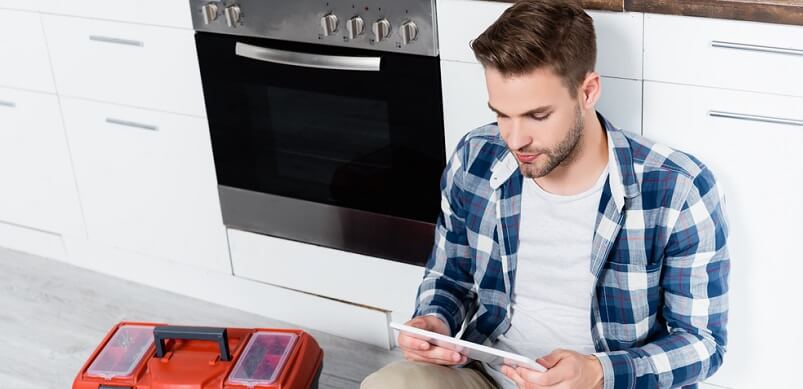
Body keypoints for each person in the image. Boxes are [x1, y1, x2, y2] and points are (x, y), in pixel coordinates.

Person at [361, 0, 730, 388]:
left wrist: (598, 372)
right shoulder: (476, 156)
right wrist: (434, 322)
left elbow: (702, 344)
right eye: (502, 113)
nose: (515, 139)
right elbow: (451, 277)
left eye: (538, 116)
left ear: (587, 92)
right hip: (488, 376)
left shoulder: (678, 188)